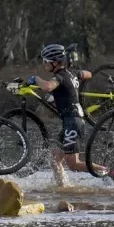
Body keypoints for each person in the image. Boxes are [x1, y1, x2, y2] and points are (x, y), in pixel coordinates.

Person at [25, 43, 92, 187]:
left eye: (46, 62)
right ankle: (63, 188)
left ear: (55, 62)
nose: (44, 65)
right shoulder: (72, 73)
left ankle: (109, 171)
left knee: (74, 164)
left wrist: (36, 79)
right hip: (71, 120)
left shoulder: (60, 77)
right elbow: (88, 74)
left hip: (73, 121)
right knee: (55, 160)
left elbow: (48, 86)